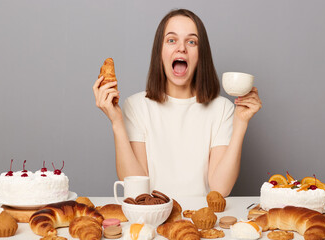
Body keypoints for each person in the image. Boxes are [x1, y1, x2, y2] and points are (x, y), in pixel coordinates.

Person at [93, 9, 262, 197]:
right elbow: (136, 189)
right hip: (153, 219)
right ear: (160, 52)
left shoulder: (222, 109)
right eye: (171, 40)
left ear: (201, 55)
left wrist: (241, 123)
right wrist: (117, 123)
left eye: (191, 42)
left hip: (201, 222)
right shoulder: (135, 106)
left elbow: (219, 188)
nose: (181, 48)